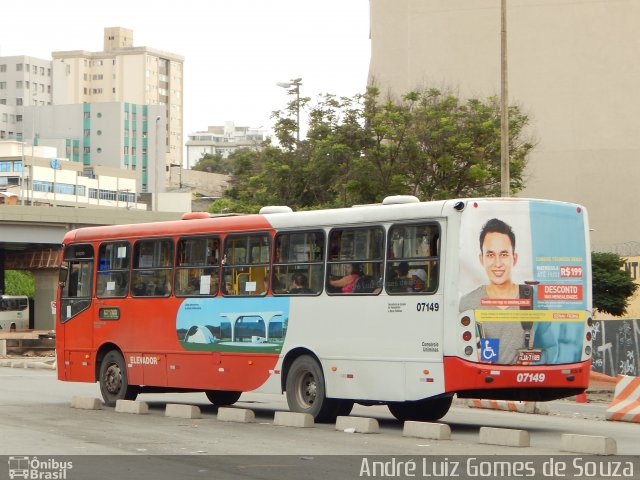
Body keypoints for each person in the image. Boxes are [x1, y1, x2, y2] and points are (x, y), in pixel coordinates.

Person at [459, 218, 533, 365]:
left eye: (504, 254)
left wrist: (535, 362)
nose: (498, 263)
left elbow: (553, 347)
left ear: (514, 258)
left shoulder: (534, 299)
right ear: (482, 259)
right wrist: (471, 355)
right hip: (483, 382)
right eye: (491, 254)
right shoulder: (467, 303)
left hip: (526, 383)